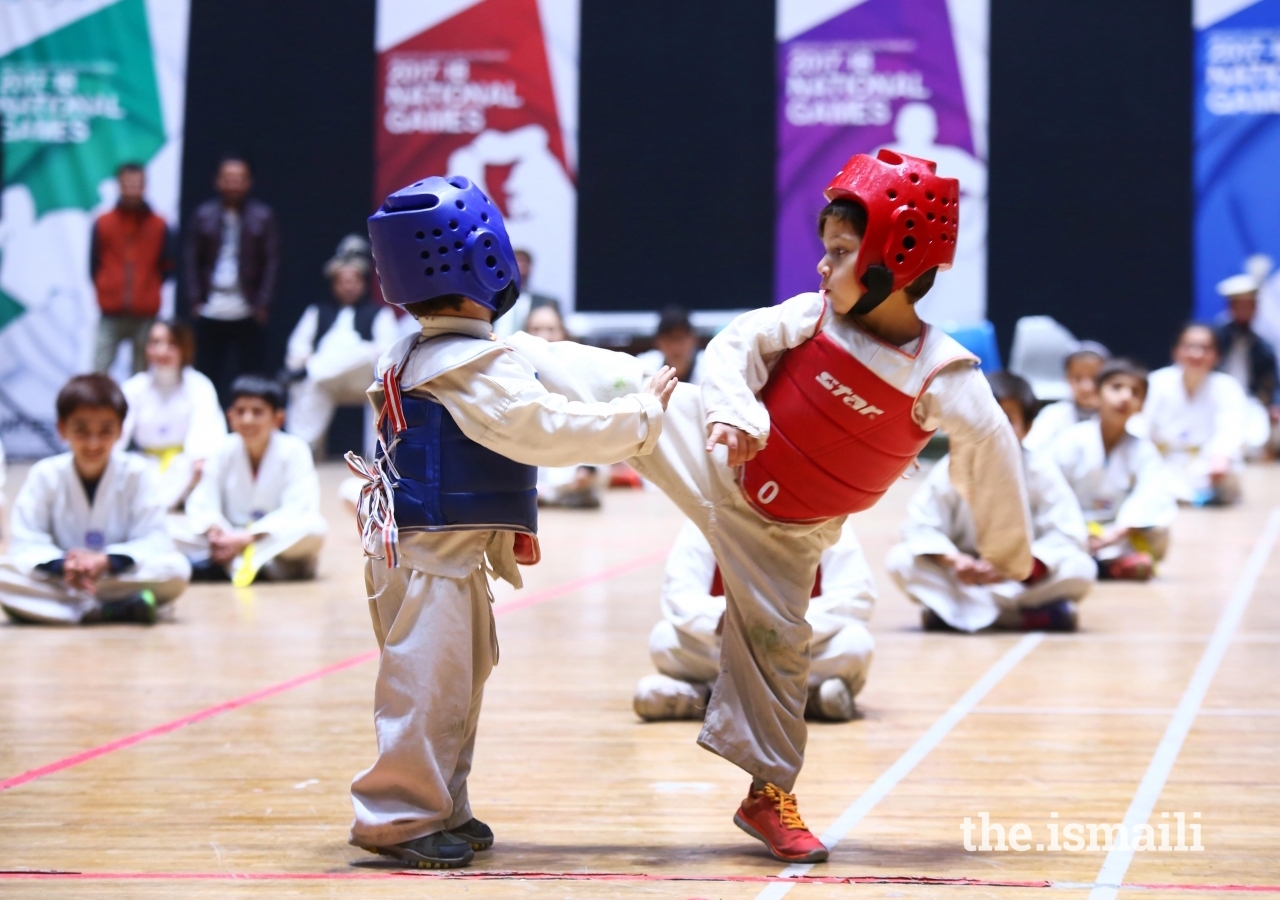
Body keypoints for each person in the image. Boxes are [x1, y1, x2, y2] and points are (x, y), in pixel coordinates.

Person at [507, 149, 1033, 864]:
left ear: (897, 260)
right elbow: (732, 347)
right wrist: (737, 414)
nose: (823, 265)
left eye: (842, 251)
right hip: (716, 450)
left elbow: (994, 450)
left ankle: (767, 796)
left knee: (782, 655)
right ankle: (487, 358)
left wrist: (1008, 554)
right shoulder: (809, 315)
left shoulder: (942, 374)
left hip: (788, 536)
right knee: (616, 379)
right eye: (825, 249)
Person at [343, 176, 675, 870]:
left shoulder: (414, 351)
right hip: (434, 556)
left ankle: (442, 807)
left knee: (456, 682)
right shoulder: (471, 365)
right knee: (428, 688)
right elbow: (543, 429)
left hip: (431, 553)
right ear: (483, 262)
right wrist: (639, 417)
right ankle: (399, 816)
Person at [886, 371, 1095, 632]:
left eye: (1007, 420)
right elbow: (920, 525)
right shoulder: (950, 467)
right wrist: (954, 561)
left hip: (1018, 578)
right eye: (987, 418)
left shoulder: (1041, 470)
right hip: (964, 577)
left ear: (1028, 427)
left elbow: (1066, 534)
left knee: (1080, 568)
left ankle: (959, 613)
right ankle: (1018, 618)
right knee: (900, 560)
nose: (995, 428)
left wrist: (1014, 567)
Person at [635, 518, 876, 722]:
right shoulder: (711, 508)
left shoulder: (827, 512)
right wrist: (729, 619)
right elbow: (679, 594)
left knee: (855, 645)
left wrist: (783, 626)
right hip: (733, 642)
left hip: (793, 648)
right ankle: (806, 700)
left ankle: (707, 698)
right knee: (664, 640)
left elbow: (856, 596)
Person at [0, 375, 191, 625]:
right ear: (62, 428)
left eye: (105, 430)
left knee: (176, 570)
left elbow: (155, 538)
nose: (93, 442)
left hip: (111, 575)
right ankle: (110, 609)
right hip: (64, 578)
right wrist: (63, 566)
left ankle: (64, 609)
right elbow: (26, 542)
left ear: (121, 431)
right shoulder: (44, 474)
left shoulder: (138, 472)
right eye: (81, 430)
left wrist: (106, 561)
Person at [172, 375, 326, 585]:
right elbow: (203, 502)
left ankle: (232, 563)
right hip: (230, 534)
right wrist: (217, 532)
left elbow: (298, 508)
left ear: (278, 418)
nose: (247, 420)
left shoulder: (295, 450)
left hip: (267, 538)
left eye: (257, 412)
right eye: (240, 411)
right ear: (230, 417)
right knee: (170, 528)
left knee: (314, 528)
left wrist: (246, 538)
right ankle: (262, 566)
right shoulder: (221, 449)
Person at [1054, 359, 1177, 581]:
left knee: (1160, 531)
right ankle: (1106, 564)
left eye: (1135, 392)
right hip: (1075, 526)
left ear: (1141, 405)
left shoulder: (1143, 450)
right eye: (1116, 387)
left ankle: (1100, 562)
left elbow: (1151, 495)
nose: (1125, 397)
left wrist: (1117, 533)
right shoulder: (1071, 440)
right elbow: (1053, 492)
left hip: (1117, 531)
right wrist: (1081, 531)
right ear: (1097, 394)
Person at [285, 237, 399, 456]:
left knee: (364, 353)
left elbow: (388, 352)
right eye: (342, 281)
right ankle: (300, 451)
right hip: (326, 382)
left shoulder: (378, 313)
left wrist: (314, 364)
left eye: (353, 280)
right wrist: (308, 359)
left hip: (362, 377)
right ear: (334, 283)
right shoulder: (317, 312)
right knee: (308, 384)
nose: (348, 286)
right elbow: (296, 350)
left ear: (363, 283)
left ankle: (379, 455)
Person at [185, 154, 280, 404]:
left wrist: (261, 304)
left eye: (239, 179)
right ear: (217, 181)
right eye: (228, 179)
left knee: (252, 376)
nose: (233, 185)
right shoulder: (204, 214)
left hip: (247, 308)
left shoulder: (263, 216)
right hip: (211, 307)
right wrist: (196, 300)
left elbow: (272, 262)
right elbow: (192, 260)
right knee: (206, 376)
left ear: (248, 182)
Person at [118, 321, 226, 511]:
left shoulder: (199, 385)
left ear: (184, 348)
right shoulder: (134, 387)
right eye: (155, 343)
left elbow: (205, 425)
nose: (161, 351)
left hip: (186, 465)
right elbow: (120, 431)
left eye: (171, 344)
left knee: (202, 469)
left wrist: (199, 459)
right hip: (146, 462)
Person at [1140, 324, 1248, 506]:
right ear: (1176, 351)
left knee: (1230, 474)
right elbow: (1141, 425)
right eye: (1189, 347)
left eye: (1205, 348)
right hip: (1163, 461)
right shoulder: (1156, 382)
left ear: (1216, 355)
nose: (1196, 354)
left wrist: (1221, 456)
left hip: (1206, 465)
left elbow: (1231, 428)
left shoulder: (1228, 387)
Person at [91, 162, 174, 375]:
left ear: (145, 186)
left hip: (145, 313)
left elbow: (168, 266)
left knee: (142, 376)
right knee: (99, 371)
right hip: (110, 311)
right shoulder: (103, 222)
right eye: (126, 184)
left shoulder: (159, 224)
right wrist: (106, 288)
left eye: (137, 184)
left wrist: (148, 289)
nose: (132, 190)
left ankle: (137, 411)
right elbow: (93, 265)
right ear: (118, 186)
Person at [1214, 266, 1280, 454]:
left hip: (1250, 400)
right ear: (1230, 307)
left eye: (1249, 306)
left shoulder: (1263, 344)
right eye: (1239, 306)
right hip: (1216, 397)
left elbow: (1275, 381)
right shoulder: (1215, 337)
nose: (1245, 311)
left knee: (1255, 439)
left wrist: (1275, 404)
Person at [1023, 341, 1110, 452]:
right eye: (1078, 378)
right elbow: (1031, 450)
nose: (1086, 387)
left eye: (1094, 378)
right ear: (1067, 378)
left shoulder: (1118, 416)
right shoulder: (1052, 415)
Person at [491, 248, 559, 341]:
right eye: (517, 262)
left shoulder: (547, 302)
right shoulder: (492, 298)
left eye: (525, 263)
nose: (521, 268)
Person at [638, 305, 705, 385]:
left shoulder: (711, 366)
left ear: (693, 339)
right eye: (668, 340)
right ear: (658, 342)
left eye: (680, 339)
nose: (675, 347)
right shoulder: (644, 366)